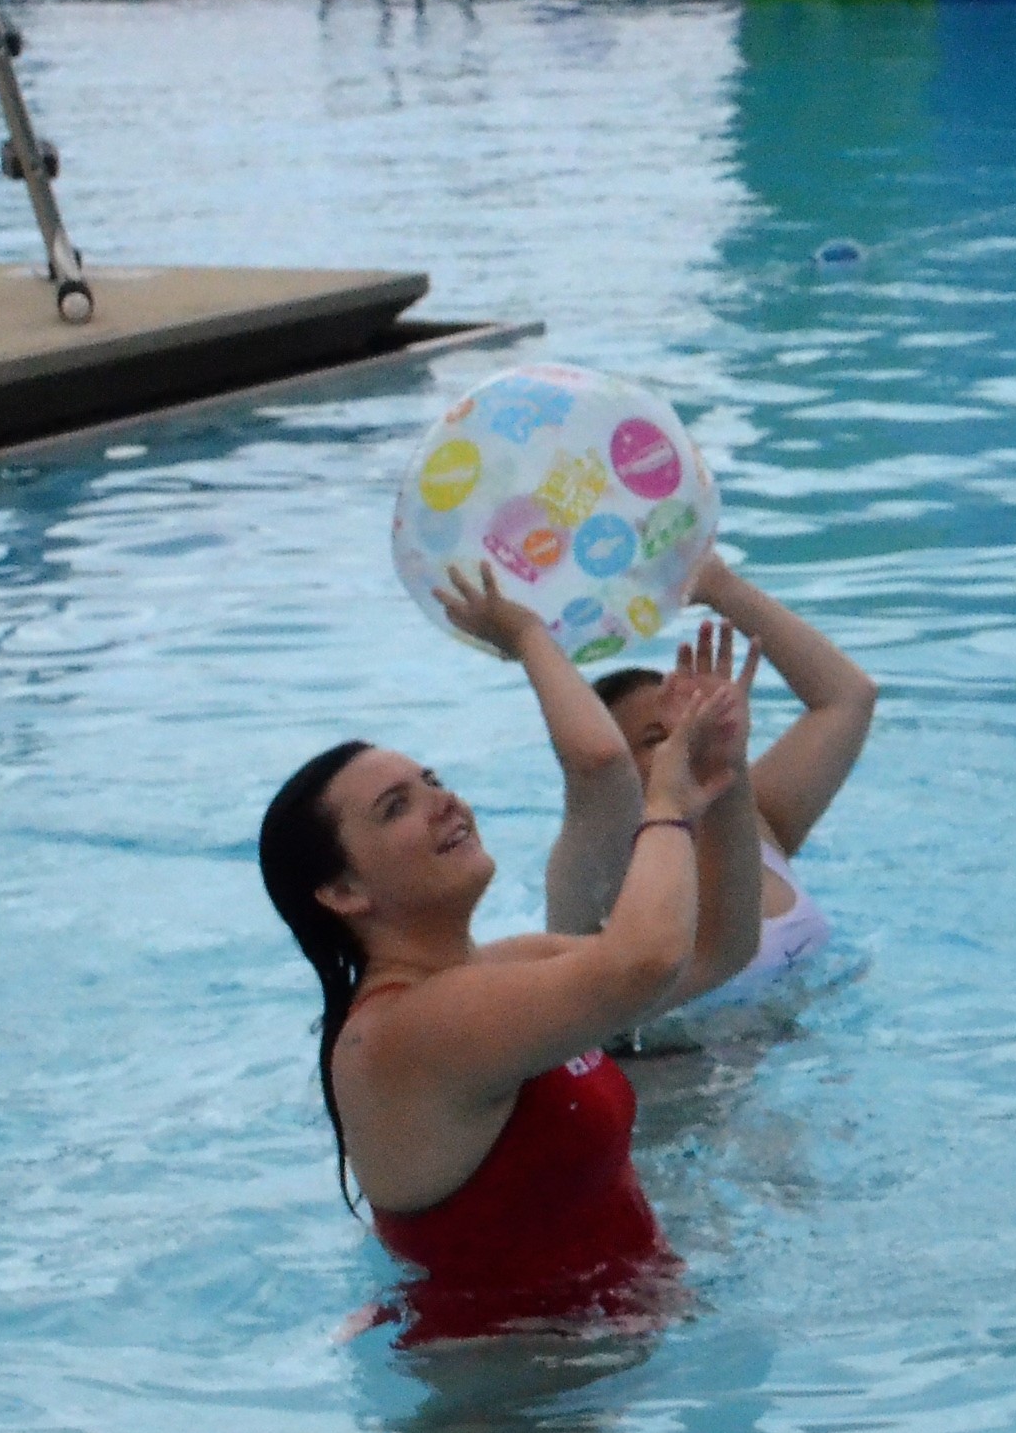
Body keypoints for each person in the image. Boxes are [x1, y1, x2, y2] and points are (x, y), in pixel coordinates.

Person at [258, 577, 761, 1342]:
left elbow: (719, 950)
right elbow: (646, 959)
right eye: (396, 807)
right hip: (498, 1407)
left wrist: (721, 778)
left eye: (430, 779)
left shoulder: (505, 973)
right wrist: (666, 803)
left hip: (597, 1373)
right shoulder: (407, 1030)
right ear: (343, 890)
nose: (444, 800)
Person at [546, 549, 876, 1037]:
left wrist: (720, 586)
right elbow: (594, 764)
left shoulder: (754, 819)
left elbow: (848, 698)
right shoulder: (605, 888)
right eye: (656, 739)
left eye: (690, 720)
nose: (685, 739)